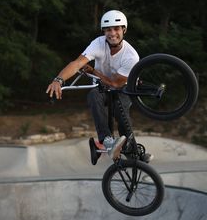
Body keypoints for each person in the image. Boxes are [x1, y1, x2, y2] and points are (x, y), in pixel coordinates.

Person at [46, 10, 152, 162]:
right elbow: (76, 64)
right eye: (108, 30)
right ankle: (107, 141)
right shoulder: (98, 43)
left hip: (121, 88)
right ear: (104, 32)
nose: (112, 33)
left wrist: (94, 71)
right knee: (94, 95)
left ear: (124, 30)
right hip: (101, 88)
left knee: (120, 110)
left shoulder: (131, 56)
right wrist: (58, 80)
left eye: (117, 29)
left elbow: (115, 83)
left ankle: (131, 148)